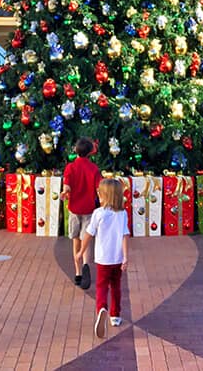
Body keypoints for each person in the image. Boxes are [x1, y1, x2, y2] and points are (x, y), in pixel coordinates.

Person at [80, 177, 130, 339]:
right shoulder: (122, 214)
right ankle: (115, 316)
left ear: (104, 196)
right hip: (117, 258)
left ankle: (102, 308)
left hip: (102, 258)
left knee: (101, 286)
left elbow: (89, 233)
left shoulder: (98, 213)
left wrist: (81, 251)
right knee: (116, 286)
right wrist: (125, 257)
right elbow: (124, 235)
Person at [59, 137, 101, 290]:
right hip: (89, 208)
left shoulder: (70, 167)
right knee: (86, 240)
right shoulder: (94, 169)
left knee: (75, 239)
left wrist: (64, 193)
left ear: (75, 150)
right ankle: (85, 264)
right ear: (90, 152)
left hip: (74, 209)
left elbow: (67, 187)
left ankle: (77, 273)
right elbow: (99, 189)